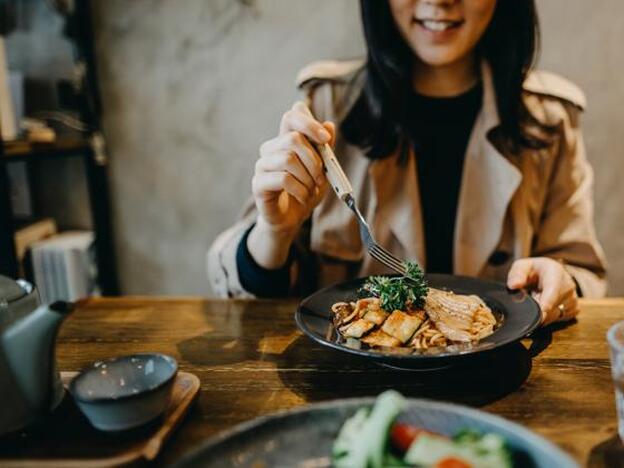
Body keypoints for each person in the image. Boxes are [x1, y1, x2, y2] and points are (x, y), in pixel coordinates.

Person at [208, 0, 607, 325]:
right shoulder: (327, 105)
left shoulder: (549, 120)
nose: (440, 2)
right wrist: (274, 232)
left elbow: (583, 273)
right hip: (347, 385)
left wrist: (563, 283)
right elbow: (233, 286)